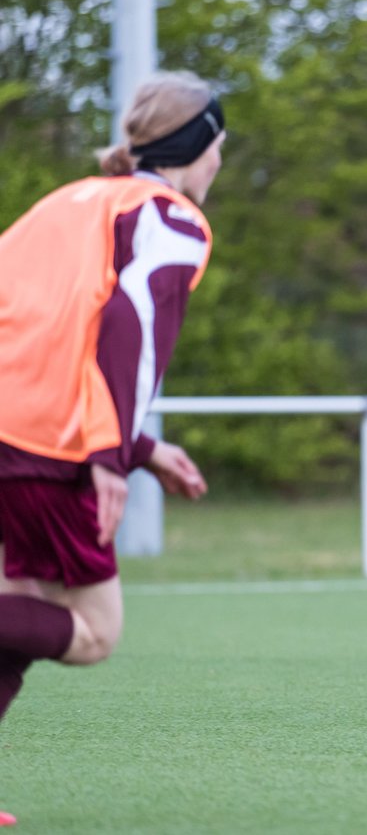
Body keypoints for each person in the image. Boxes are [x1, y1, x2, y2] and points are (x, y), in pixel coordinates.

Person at [0, 71, 224, 822]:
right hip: (49, 447)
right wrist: (108, 453)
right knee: (94, 633)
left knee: (23, 611)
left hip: (17, 430)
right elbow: (126, 329)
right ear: (199, 146)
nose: (221, 159)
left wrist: (138, 448)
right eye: (220, 144)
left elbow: (48, 334)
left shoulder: (68, 201)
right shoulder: (171, 217)